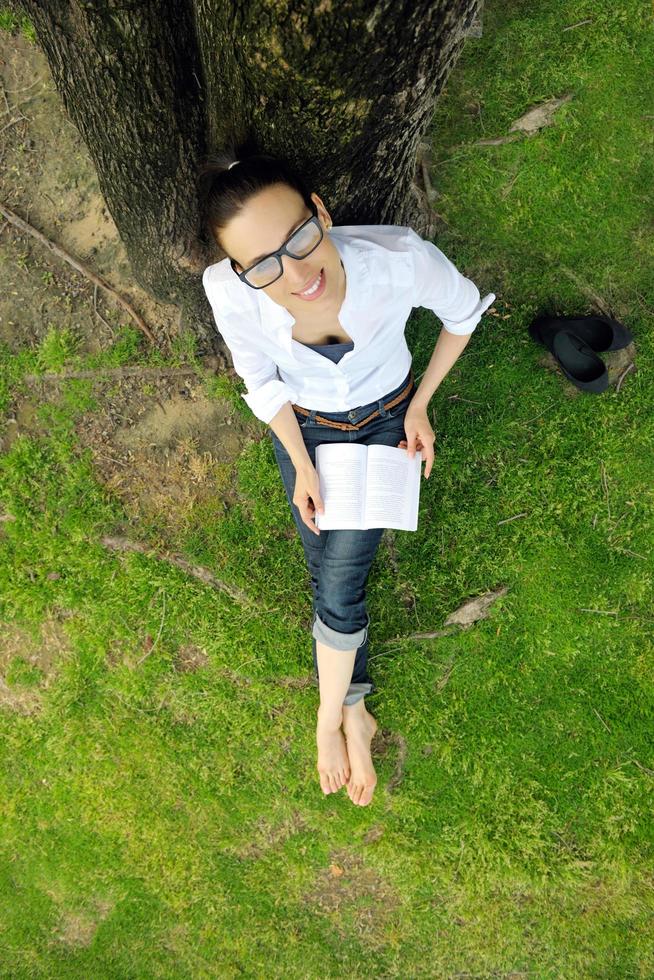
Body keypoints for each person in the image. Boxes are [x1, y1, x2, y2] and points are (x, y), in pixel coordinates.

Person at [199, 150, 495, 807]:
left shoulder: (398, 261)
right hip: (303, 431)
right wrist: (302, 464)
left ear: (321, 212)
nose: (298, 273)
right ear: (240, 272)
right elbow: (261, 383)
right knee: (320, 559)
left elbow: (465, 314)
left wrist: (421, 405)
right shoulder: (228, 295)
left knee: (340, 577)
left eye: (300, 237)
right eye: (264, 265)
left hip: (389, 420)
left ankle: (328, 719)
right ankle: (355, 707)